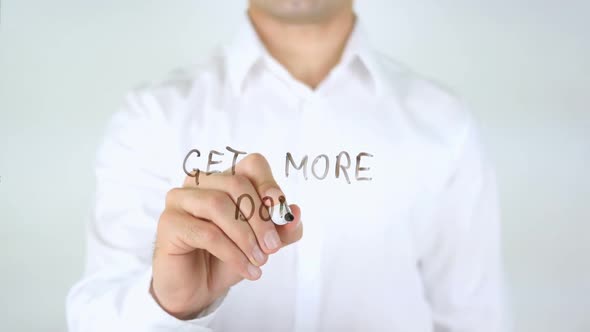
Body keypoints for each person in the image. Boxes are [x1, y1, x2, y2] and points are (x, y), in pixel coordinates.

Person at [67, 0, 506, 331]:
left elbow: (475, 319)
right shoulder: (154, 117)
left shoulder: (446, 125)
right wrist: (168, 303)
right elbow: (93, 317)